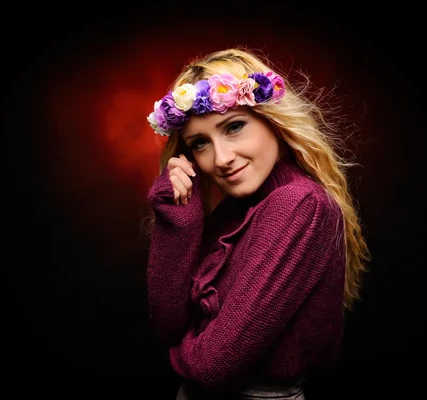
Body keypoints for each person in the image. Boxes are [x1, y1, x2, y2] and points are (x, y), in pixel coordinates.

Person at [143, 47, 370, 399]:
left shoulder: (300, 205)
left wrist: (179, 356)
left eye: (234, 127)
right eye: (200, 143)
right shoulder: (234, 209)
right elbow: (169, 324)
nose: (221, 159)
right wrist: (179, 214)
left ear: (272, 119)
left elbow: (213, 366)